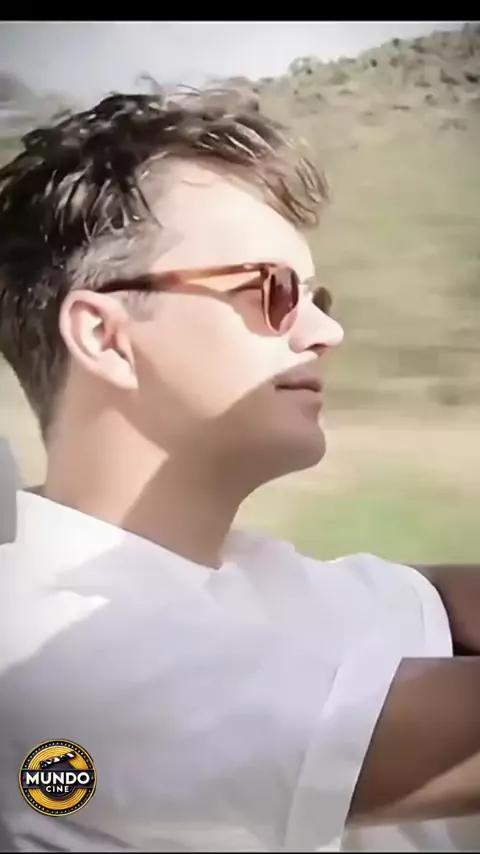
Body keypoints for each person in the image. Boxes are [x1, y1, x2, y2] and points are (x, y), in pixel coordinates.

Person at [0, 90, 479, 853]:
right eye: (271, 291)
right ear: (105, 337)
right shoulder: (49, 649)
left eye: (317, 297)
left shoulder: (241, 574)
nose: (326, 331)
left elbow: (445, 608)